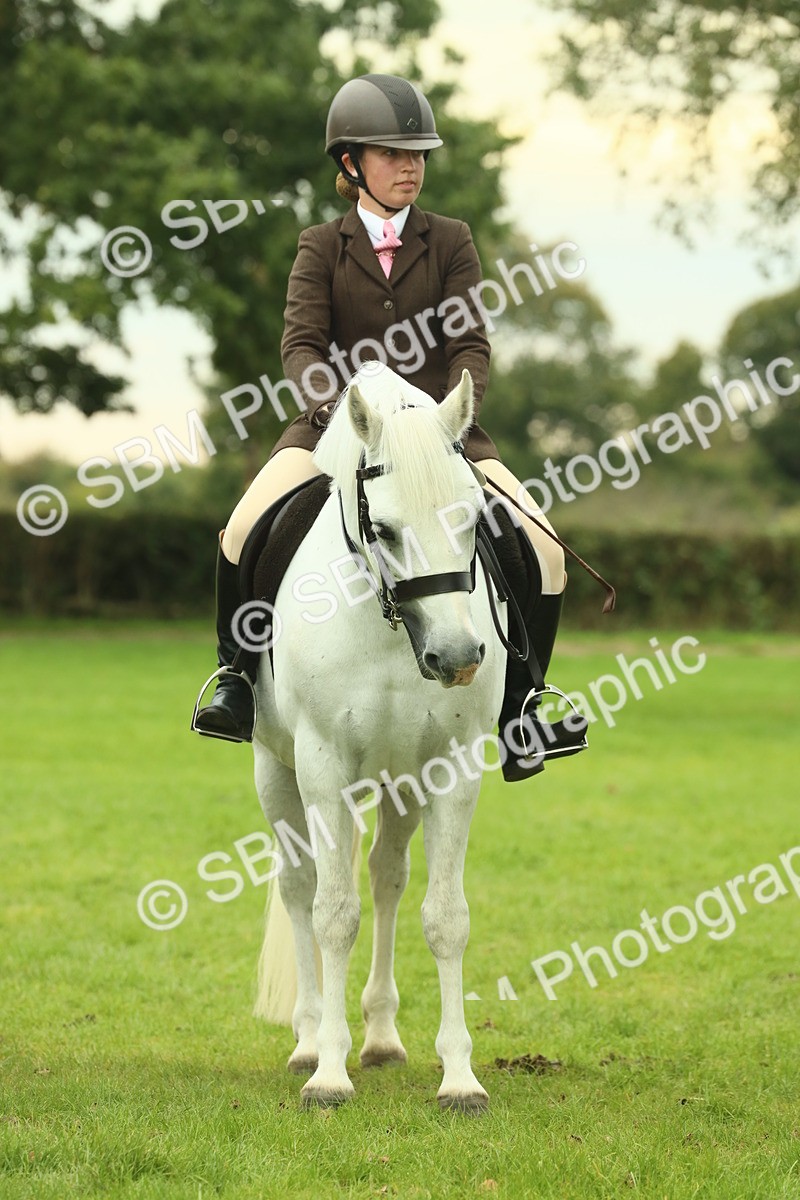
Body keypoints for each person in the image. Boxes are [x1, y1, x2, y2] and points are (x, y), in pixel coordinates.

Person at [192, 72, 586, 780]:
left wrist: (448, 422)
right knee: (241, 530)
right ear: (351, 164)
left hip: (440, 437)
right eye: (393, 154)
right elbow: (301, 347)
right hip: (333, 430)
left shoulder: (452, 241)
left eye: (419, 155)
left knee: (547, 553)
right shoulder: (320, 245)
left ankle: (525, 706)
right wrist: (338, 411)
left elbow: (469, 345)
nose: (411, 167)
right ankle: (235, 680)